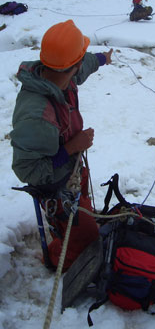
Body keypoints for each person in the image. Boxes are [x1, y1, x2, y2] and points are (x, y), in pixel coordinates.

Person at [10, 19, 113, 271]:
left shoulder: (61, 74)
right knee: (86, 239)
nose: (82, 65)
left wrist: (103, 58)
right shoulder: (37, 115)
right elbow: (29, 171)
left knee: (84, 213)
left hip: (72, 167)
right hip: (53, 182)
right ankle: (58, 256)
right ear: (71, 66)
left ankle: (72, 228)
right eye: (80, 61)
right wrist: (70, 147)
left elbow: (85, 64)